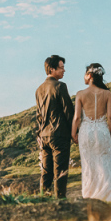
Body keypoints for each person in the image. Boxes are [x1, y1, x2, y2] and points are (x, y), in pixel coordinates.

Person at [71, 63, 111, 202]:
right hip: (103, 132)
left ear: (89, 75)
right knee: (104, 163)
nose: (84, 77)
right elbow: (110, 117)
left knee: (88, 164)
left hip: (86, 133)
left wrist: (74, 133)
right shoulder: (107, 94)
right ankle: (109, 194)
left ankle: (90, 194)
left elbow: (77, 118)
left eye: (85, 74)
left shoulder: (80, 94)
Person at [34, 55, 74, 198]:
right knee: (60, 172)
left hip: (44, 136)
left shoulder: (39, 90)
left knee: (46, 173)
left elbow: (39, 115)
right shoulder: (60, 86)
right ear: (52, 69)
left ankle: (43, 200)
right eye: (61, 67)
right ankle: (60, 202)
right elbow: (69, 112)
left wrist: (39, 134)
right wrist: (74, 132)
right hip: (59, 135)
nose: (64, 70)